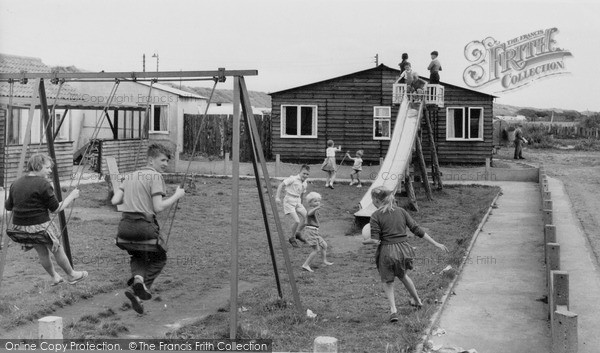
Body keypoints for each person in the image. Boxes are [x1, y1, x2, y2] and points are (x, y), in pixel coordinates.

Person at [111, 143, 185, 314]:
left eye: (167, 161)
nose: (166, 164)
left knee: (138, 254)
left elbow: (115, 201)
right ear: (151, 160)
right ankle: (140, 287)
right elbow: (158, 207)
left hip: (124, 228)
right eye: (163, 160)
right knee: (159, 258)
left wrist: (133, 198)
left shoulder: (130, 176)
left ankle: (137, 283)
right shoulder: (156, 177)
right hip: (144, 227)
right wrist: (177, 195)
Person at [4, 153, 88, 286]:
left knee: (42, 252)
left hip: (21, 228)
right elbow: (55, 209)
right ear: (38, 166)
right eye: (47, 168)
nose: (50, 170)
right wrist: (71, 196)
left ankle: (54, 277)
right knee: (57, 249)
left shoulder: (16, 183)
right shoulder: (43, 184)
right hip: (40, 227)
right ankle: (71, 275)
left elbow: (8, 206)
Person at [368, 186, 448, 322]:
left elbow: (375, 241)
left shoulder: (375, 216)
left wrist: (365, 241)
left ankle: (393, 310)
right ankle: (417, 300)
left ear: (376, 200)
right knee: (403, 275)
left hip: (387, 251)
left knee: (387, 281)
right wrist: (435, 243)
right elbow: (416, 229)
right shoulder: (401, 211)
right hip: (404, 250)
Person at [276, 164, 310, 248]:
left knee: (307, 218)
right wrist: (277, 197)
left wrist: (301, 204)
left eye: (307, 174)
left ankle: (298, 233)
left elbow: (302, 194)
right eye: (304, 173)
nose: (305, 175)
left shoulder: (305, 183)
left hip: (297, 201)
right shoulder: (293, 179)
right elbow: (281, 185)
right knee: (297, 221)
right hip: (289, 201)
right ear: (300, 172)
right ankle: (292, 238)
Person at [300, 192, 334, 272]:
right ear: (310, 203)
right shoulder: (311, 209)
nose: (318, 202)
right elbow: (309, 213)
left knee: (324, 245)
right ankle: (305, 265)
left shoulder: (315, 210)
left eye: (318, 201)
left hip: (315, 231)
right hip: (310, 232)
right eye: (315, 201)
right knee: (316, 249)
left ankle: (324, 261)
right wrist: (317, 208)